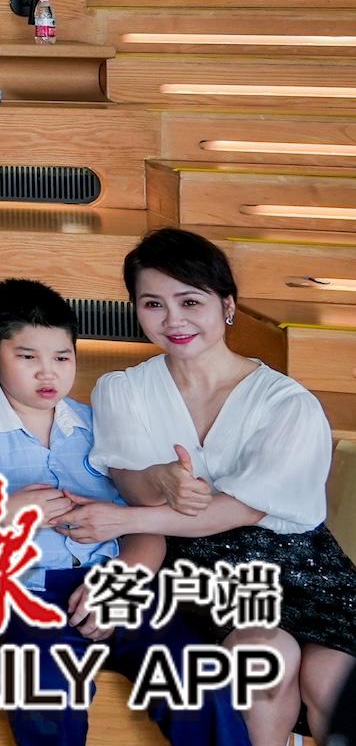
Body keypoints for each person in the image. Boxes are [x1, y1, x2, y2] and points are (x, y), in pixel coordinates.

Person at [0, 277, 253, 746]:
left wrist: (122, 580)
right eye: (28, 358)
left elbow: (145, 527)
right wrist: (3, 514)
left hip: (105, 580)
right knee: (49, 686)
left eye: (62, 358)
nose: (48, 375)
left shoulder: (96, 424)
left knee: (193, 675)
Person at [68, 229, 356, 745]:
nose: (173, 320)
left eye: (190, 302)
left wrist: (123, 520)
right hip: (198, 572)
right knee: (264, 658)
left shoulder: (287, 403)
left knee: (330, 678)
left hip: (300, 568)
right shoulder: (124, 389)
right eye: (153, 304)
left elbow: (242, 510)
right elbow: (129, 479)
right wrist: (158, 478)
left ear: (227, 305)